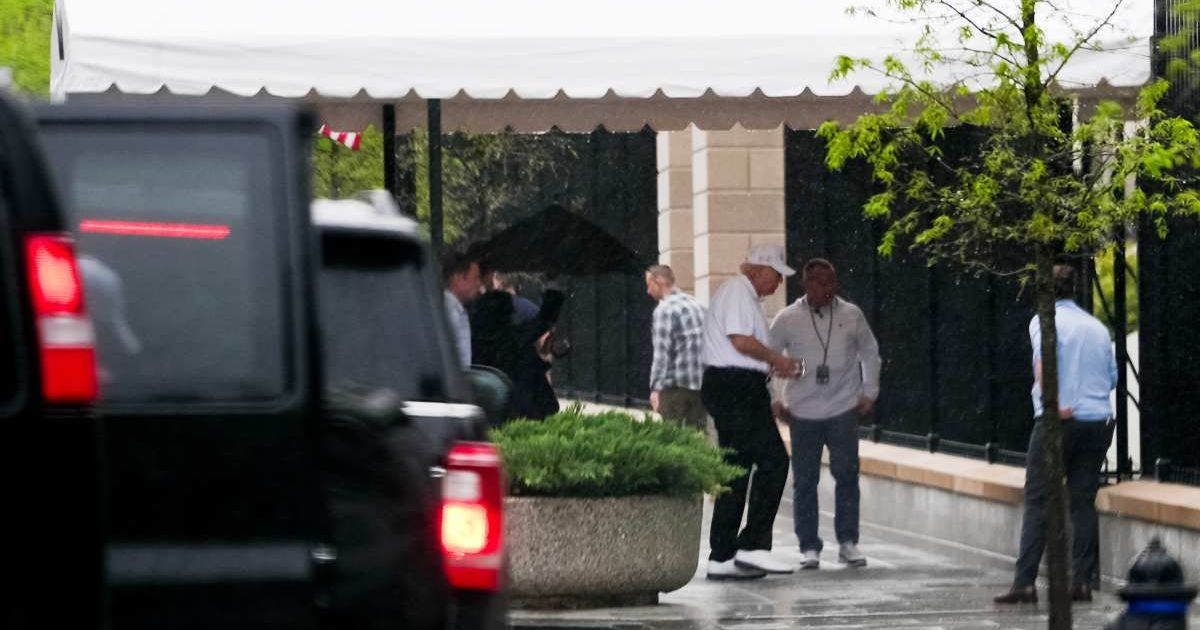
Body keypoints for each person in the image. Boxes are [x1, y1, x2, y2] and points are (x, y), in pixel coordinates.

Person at [994, 264, 1117, 604]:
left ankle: (1025, 582)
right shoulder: (1097, 327)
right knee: (1082, 501)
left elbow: (1042, 363)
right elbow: (1112, 379)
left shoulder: (1043, 321)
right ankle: (1082, 580)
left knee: (1037, 499)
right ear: (1074, 289)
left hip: (1059, 419)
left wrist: (1053, 401)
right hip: (1097, 421)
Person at [769, 258, 880, 570]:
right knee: (804, 481)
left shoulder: (851, 314)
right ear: (806, 284)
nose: (827, 289)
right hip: (801, 411)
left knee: (847, 475)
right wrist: (774, 399)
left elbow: (870, 353)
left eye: (831, 282)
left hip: (843, 408)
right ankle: (809, 546)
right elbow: (766, 357)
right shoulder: (787, 318)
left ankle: (848, 541)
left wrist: (869, 392)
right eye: (819, 282)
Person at [701, 244, 802, 580]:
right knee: (775, 460)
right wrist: (778, 360)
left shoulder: (746, 298)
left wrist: (770, 379)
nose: (777, 284)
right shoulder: (737, 292)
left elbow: (746, 348)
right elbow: (741, 342)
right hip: (736, 389)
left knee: (738, 469)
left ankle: (722, 554)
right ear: (758, 269)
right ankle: (753, 546)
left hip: (737, 387)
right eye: (776, 275)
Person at [470, 285, 566, 422]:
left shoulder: (475, 340)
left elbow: (542, 322)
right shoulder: (513, 341)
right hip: (523, 410)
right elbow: (543, 321)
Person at [645, 265, 707, 431]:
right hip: (701, 384)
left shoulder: (664, 310)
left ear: (658, 282)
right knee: (699, 437)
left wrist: (656, 388)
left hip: (675, 387)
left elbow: (662, 354)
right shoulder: (698, 305)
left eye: (649, 285)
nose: (648, 291)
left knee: (674, 439)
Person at [442, 250, 482, 369]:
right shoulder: (448, 312)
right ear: (459, 278)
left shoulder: (454, 309)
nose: (479, 284)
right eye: (475, 278)